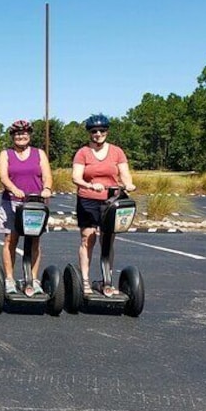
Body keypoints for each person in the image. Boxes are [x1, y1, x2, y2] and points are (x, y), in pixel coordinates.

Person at [71, 114, 136, 296]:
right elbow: (76, 177)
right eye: (94, 131)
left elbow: (125, 173)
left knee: (107, 240)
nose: (98, 134)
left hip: (112, 201)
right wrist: (90, 184)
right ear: (89, 133)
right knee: (88, 238)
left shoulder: (117, 151)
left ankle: (106, 280)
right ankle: (84, 281)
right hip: (88, 198)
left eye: (102, 131)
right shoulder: (83, 152)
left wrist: (129, 184)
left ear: (107, 132)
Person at [0, 119, 53, 294]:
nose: (21, 136)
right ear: (13, 136)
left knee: (35, 240)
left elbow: (47, 175)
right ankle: (9, 279)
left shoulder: (39, 153)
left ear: (29, 135)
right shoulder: (6, 154)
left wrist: (47, 189)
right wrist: (14, 189)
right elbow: (3, 177)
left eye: (25, 133)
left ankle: (33, 279)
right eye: (18, 133)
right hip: (12, 202)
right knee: (10, 240)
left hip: (35, 203)